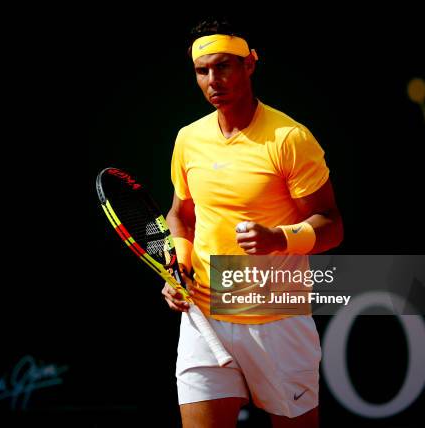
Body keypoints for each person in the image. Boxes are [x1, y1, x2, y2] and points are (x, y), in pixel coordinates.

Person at [161, 17, 344, 428]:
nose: (213, 80)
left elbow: (332, 225)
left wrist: (280, 238)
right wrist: (180, 263)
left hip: (276, 315)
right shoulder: (188, 139)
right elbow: (181, 214)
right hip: (204, 315)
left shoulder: (289, 138)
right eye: (202, 71)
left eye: (224, 66)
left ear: (250, 64)